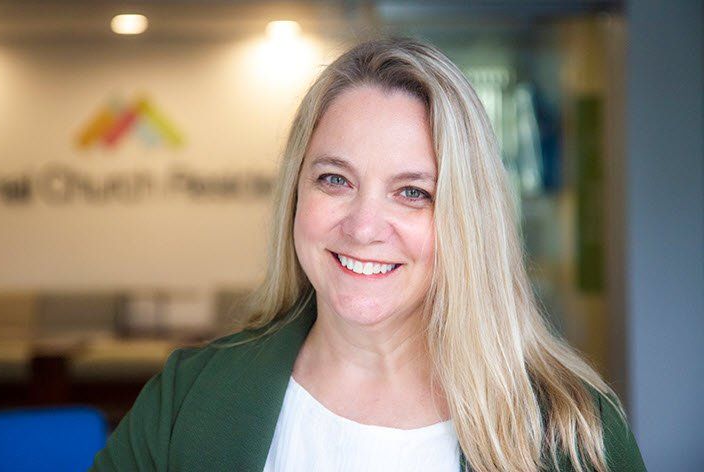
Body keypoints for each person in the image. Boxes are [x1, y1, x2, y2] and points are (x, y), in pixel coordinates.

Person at [90, 37, 646, 472]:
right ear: (296, 195)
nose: (362, 227)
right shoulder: (188, 395)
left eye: (413, 192)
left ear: (468, 220)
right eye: (335, 179)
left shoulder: (572, 431)